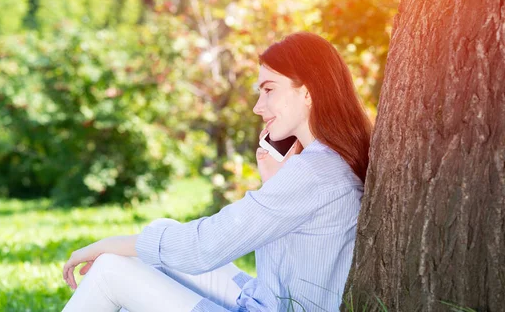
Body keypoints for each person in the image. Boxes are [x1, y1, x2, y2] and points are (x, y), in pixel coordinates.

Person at [61, 31, 372, 312]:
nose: (257, 106)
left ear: (307, 92)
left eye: (268, 90)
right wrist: (276, 184)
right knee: (159, 230)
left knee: (110, 272)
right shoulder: (327, 161)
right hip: (262, 299)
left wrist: (106, 244)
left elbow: (204, 248)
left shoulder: (313, 172)